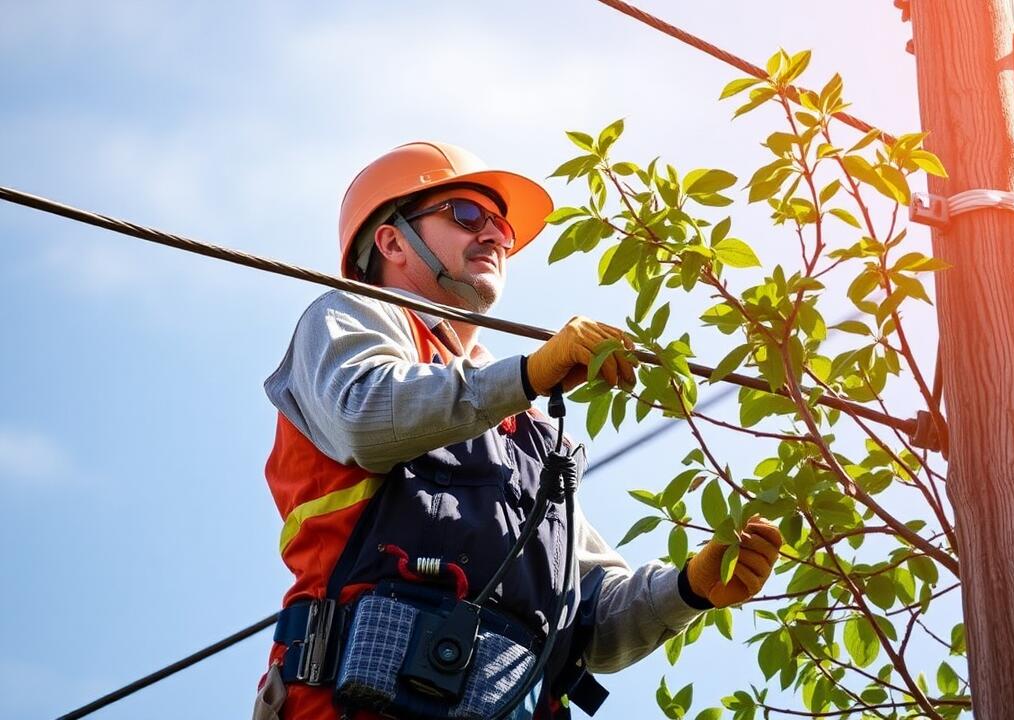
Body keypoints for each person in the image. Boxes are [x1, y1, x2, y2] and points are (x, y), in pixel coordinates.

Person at [252, 141, 783, 720]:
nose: (494, 237)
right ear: (392, 240)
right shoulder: (347, 318)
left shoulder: (526, 426)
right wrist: (527, 375)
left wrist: (688, 589)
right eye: (466, 214)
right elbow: (366, 416)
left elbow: (591, 620)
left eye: (501, 228)